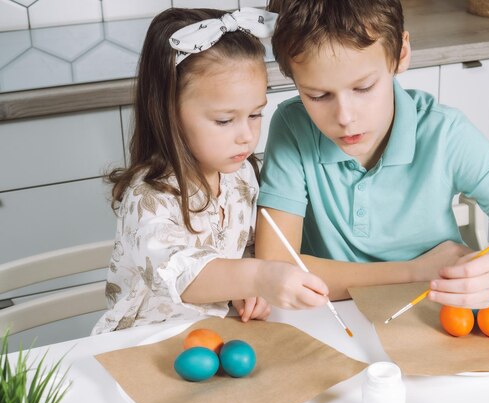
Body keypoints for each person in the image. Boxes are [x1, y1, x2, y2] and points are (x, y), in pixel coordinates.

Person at [256, 0, 489, 308]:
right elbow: (275, 267)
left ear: (401, 53)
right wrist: (417, 271)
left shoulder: (445, 133)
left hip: (434, 312)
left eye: (364, 88)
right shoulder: (293, 127)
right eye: (318, 95)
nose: (344, 117)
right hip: (335, 322)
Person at [92, 7, 328, 334]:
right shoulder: (147, 198)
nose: (246, 135)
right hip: (137, 347)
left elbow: (242, 247)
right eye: (224, 120)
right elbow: (181, 273)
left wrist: (244, 290)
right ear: (170, 111)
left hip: (212, 336)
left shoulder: (240, 175)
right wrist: (261, 275)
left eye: (255, 114)